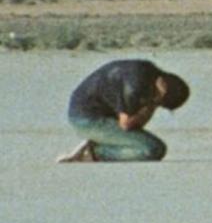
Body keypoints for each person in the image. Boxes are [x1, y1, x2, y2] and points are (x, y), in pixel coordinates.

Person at [57, 59, 190, 162]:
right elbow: (127, 124)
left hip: (96, 113)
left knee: (148, 143)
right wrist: (153, 103)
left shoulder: (148, 72)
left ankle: (101, 140)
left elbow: (135, 125)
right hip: (86, 119)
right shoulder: (134, 87)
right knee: (152, 149)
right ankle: (94, 152)